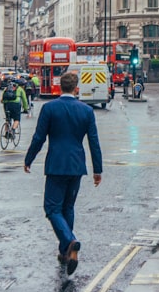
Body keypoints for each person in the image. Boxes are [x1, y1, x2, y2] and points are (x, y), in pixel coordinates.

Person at [24, 71, 103, 275]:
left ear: (60, 87)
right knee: (68, 207)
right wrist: (98, 170)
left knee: (51, 208)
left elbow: (39, 137)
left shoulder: (49, 108)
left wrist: (29, 159)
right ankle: (65, 252)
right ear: (76, 88)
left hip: (56, 165)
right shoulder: (86, 110)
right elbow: (94, 142)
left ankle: (69, 241)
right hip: (76, 165)